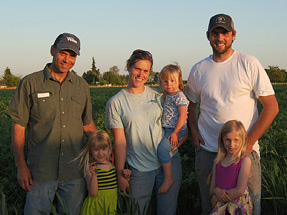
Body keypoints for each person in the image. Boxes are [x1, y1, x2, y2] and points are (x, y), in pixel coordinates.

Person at [185, 14, 279, 215]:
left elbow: (271, 107)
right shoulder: (198, 69)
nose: (220, 38)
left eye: (224, 33)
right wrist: (193, 132)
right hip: (209, 150)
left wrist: (248, 143)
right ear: (208, 36)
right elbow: (190, 105)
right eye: (215, 33)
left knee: (249, 208)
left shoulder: (249, 63)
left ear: (233, 35)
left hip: (244, 153)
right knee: (211, 207)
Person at [6, 33, 97, 215]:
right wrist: (21, 167)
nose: (67, 59)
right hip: (40, 173)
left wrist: (106, 152)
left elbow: (88, 126)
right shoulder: (30, 83)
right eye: (63, 53)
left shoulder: (81, 86)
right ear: (52, 50)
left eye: (72, 55)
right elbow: (19, 127)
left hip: (75, 173)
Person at [105, 49, 186, 215]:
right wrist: (120, 174)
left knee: (168, 211)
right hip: (139, 170)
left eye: (146, 71)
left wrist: (182, 137)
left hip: (168, 164)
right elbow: (119, 142)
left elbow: (177, 118)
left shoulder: (158, 96)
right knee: (137, 211)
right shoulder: (116, 103)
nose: (141, 74)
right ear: (128, 67)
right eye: (137, 69)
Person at [74, 130, 131, 215]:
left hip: (110, 206)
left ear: (109, 148)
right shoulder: (89, 168)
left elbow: (123, 188)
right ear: (91, 150)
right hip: (95, 208)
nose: (100, 153)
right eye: (96, 149)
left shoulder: (113, 166)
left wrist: (126, 177)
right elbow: (93, 193)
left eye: (104, 149)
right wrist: (94, 175)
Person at [157, 64, 189, 193]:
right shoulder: (168, 95)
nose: (169, 84)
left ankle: (168, 178)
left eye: (172, 80)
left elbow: (183, 116)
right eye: (165, 81)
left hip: (176, 130)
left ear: (179, 81)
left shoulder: (179, 97)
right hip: (169, 129)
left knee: (162, 151)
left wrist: (176, 132)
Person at [210, 120, 253, 214]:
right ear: (222, 139)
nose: (231, 145)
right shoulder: (217, 162)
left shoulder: (245, 161)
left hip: (237, 207)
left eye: (236, 140)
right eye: (227, 140)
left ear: (242, 140)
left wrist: (217, 198)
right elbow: (212, 189)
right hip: (220, 207)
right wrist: (217, 191)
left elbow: (240, 190)